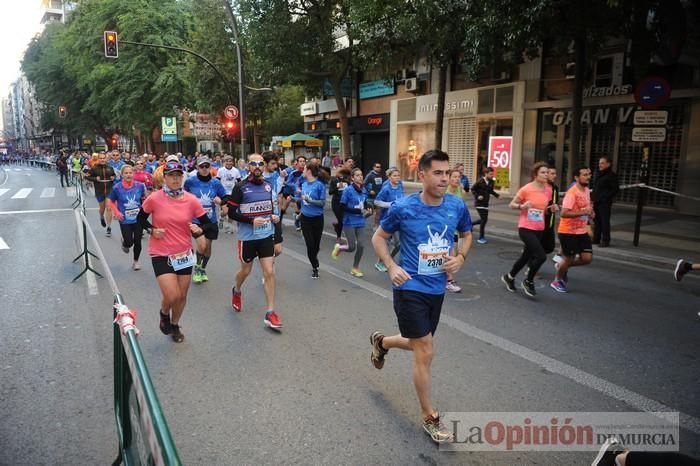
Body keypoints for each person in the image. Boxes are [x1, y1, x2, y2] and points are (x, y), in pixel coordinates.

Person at [370, 149, 472, 444]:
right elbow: (379, 237)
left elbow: (465, 234)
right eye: (437, 173)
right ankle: (430, 416)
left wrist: (461, 258)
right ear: (423, 175)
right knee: (426, 350)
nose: (444, 178)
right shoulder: (403, 207)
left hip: (436, 288)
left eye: (447, 172)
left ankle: (382, 342)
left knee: (417, 343)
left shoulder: (455, 205)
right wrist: (391, 266)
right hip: (409, 287)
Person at [137, 160, 214, 343]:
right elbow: (140, 219)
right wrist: (151, 230)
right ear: (164, 178)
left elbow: (208, 224)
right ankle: (164, 313)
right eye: (171, 175)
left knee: (182, 296)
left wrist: (199, 230)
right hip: (161, 252)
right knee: (172, 295)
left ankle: (175, 324)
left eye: (178, 175)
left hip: (184, 254)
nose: (175, 179)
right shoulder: (155, 198)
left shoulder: (191, 199)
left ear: (182, 178)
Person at [226, 154, 283, 329]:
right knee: (245, 271)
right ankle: (236, 290)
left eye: (260, 163)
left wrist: (274, 221)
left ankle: (270, 312)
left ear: (264, 166)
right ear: (248, 167)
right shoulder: (240, 187)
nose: (257, 166)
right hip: (247, 238)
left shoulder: (268, 186)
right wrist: (251, 221)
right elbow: (231, 213)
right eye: (253, 163)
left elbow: (273, 210)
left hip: (265, 235)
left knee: (269, 272)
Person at [501, 162, 554, 297]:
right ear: (535, 174)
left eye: (547, 172)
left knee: (525, 257)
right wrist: (522, 206)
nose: (546, 174)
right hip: (525, 227)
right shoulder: (527, 188)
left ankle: (509, 276)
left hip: (539, 228)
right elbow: (511, 204)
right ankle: (529, 280)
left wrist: (550, 209)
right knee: (541, 256)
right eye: (543, 172)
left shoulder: (548, 190)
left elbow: (543, 210)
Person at [551, 166, 593, 293]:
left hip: (581, 230)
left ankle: (561, 266)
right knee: (569, 257)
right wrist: (583, 212)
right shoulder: (572, 193)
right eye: (584, 175)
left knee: (587, 259)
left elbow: (586, 207)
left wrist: (591, 213)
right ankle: (557, 280)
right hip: (568, 231)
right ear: (576, 177)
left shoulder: (586, 190)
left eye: (589, 174)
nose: (588, 177)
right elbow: (564, 213)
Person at [184, 156, 227, 283]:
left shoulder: (216, 183)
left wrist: (221, 202)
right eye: (201, 166)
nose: (204, 169)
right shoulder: (190, 181)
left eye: (207, 166)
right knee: (202, 245)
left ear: (210, 167)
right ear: (197, 167)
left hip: (211, 220)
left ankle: (203, 268)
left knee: (208, 248)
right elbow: (182, 195)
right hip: (196, 221)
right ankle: (197, 268)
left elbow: (225, 197)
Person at [331, 168, 373, 277]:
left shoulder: (363, 190)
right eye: (357, 175)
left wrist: (368, 208)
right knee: (351, 247)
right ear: (353, 178)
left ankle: (355, 267)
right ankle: (339, 247)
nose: (360, 177)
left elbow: (364, 202)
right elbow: (342, 207)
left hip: (360, 220)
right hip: (349, 221)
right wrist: (356, 210)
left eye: (361, 175)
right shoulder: (348, 190)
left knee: (362, 245)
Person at [108, 165, 147, 270]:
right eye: (126, 173)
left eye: (130, 173)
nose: (128, 175)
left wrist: (145, 209)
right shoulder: (117, 188)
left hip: (138, 219)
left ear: (133, 174)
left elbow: (144, 198)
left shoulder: (140, 186)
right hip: (124, 219)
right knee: (129, 242)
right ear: (122, 175)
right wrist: (116, 212)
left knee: (138, 241)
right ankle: (125, 243)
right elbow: (111, 202)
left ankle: (136, 262)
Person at [299, 162, 329, 278]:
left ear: (309, 171)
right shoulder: (304, 184)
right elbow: (301, 200)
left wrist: (309, 200)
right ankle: (315, 266)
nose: (302, 171)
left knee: (316, 246)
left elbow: (322, 203)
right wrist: (293, 199)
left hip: (317, 219)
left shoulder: (319, 185)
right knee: (310, 245)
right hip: (305, 219)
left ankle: (314, 256)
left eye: (304, 169)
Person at [373, 167, 403, 272]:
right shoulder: (386, 188)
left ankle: (387, 260)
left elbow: (401, 198)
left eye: (398, 175)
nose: (397, 178)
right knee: (385, 243)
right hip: (387, 219)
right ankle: (380, 263)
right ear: (389, 177)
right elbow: (376, 201)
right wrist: (389, 205)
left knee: (399, 244)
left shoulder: (400, 186)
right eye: (394, 176)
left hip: (398, 218)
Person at [85, 153, 116, 237]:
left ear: (106, 159)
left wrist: (113, 178)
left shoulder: (110, 168)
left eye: (104, 158)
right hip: (99, 191)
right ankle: (101, 217)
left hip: (109, 190)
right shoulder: (94, 168)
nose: (102, 160)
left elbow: (114, 176)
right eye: (101, 158)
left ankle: (109, 227)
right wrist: (95, 179)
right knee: (102, 208)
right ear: (98, 159)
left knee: (109, 208)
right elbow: (86, 176)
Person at [591, 156, 618, 247]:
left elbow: (615, 189)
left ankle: (606, 240)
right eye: (599, 163)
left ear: (608, 164)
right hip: (597, 201)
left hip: (604, 202)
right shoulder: (598, 173)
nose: (600, 165)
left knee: (604, 221)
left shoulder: (611, 175)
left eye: (602, 163)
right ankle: (596, 239)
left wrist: (605, 197)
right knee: (597, 221)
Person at [471, 167, 500, 244]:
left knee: (484, 220)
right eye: (490, 174)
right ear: (486, 173)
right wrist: (478, 196)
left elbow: (490, 191)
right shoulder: (480, 181)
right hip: (479, 203)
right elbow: (473, 189)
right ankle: (481, 237)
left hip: (486, 203)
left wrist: (497, 195)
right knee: (484, 220)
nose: (492, 175)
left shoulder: (491, 182)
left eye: (492, 174)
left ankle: (470, 224)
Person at [216, 155, 241, 234]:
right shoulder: (220, 170)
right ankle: (221, 216)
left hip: (233, 193)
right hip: (223, 193)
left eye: (230, 161)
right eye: (227, 161)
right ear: (224, 162)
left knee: (232, 212)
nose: (229, 163)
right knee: (226, 211)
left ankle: (228, 228)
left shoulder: (236, 171)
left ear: (233, 162)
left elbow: (239, 182)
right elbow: (217, 182)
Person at [540, 166, 560, 254]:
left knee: (549, 247)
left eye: (555, 174)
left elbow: (554, 202)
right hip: (539, 222)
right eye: (552, 173)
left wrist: (558, 206)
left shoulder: (555, 187)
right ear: (546, 174)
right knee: (538, 248)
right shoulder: (540, 187)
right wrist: (549, 208)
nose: (555, 176)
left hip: (550, 222)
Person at [329, 167, 351, 245]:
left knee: (343, 220)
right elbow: (330, 192)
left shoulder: (347, 181)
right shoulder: (334, 180)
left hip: (345, 203)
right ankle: (339, 237)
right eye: (339, 171)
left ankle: (337, 225)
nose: (340, 173)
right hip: (336, 203)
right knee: (341, 220)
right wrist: (337, 187)